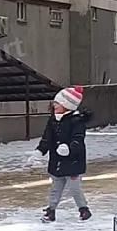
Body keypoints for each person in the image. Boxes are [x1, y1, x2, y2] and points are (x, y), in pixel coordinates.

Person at [29, 85, 93, 222]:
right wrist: (39, 151)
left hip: (73, 163)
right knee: (55, 188)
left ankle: (84, 209)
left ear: (66, 105)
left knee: (75, 188)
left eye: (57, 103)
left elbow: (78, 139)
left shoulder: (77, 121)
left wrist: (69, 149)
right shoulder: (53, 120)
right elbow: (47, 139)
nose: (54, 105)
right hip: (57, 161)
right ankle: (51, 210)